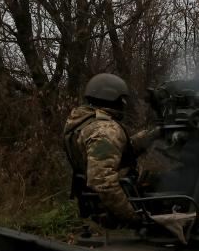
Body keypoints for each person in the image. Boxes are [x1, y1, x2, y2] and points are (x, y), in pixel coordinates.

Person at [63, 73, 159, 228]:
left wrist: (152, 134)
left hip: (93, 201)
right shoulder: (105, 130)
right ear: (114, 99)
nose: (124, 104)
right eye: (122, 100)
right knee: (165, 181)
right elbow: (103, 182)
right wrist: (134, 217)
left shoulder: (82, 120)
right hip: (110, 210)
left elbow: (118, 151)